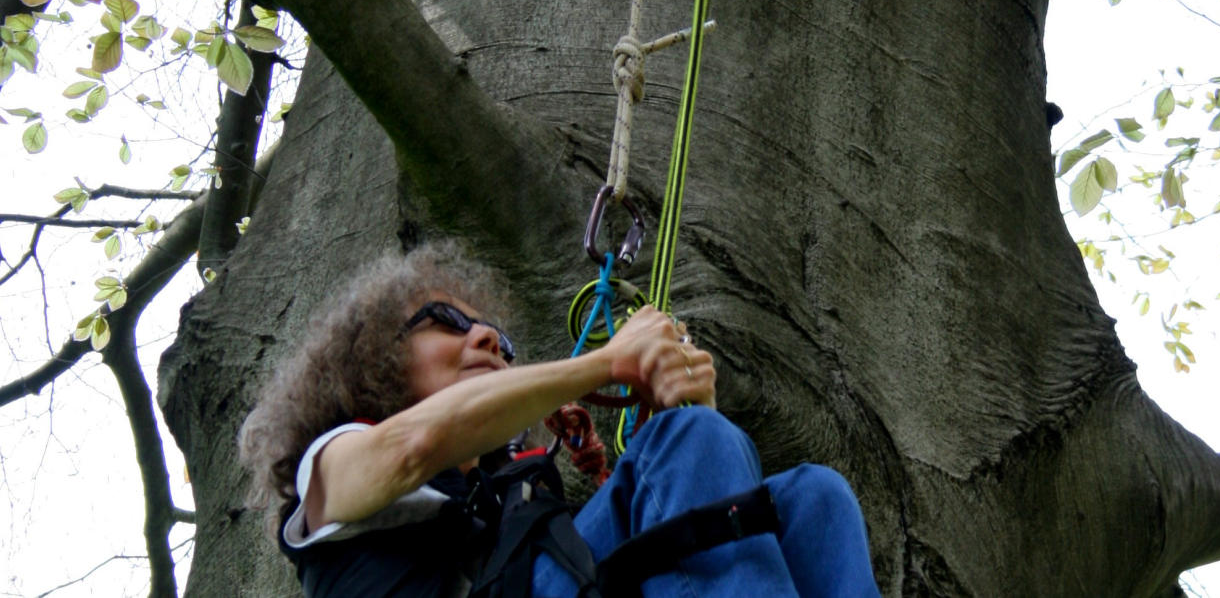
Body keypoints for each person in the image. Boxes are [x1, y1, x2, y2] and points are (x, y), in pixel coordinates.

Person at [239, 242, 881, 598]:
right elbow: (415, 444)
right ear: (373, 358)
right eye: (449, 322)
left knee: (811, 499)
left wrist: (687, 422)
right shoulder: (325, 479)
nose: (487, 337)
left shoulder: (511, 505)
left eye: (498, 337)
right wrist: (611, 361)